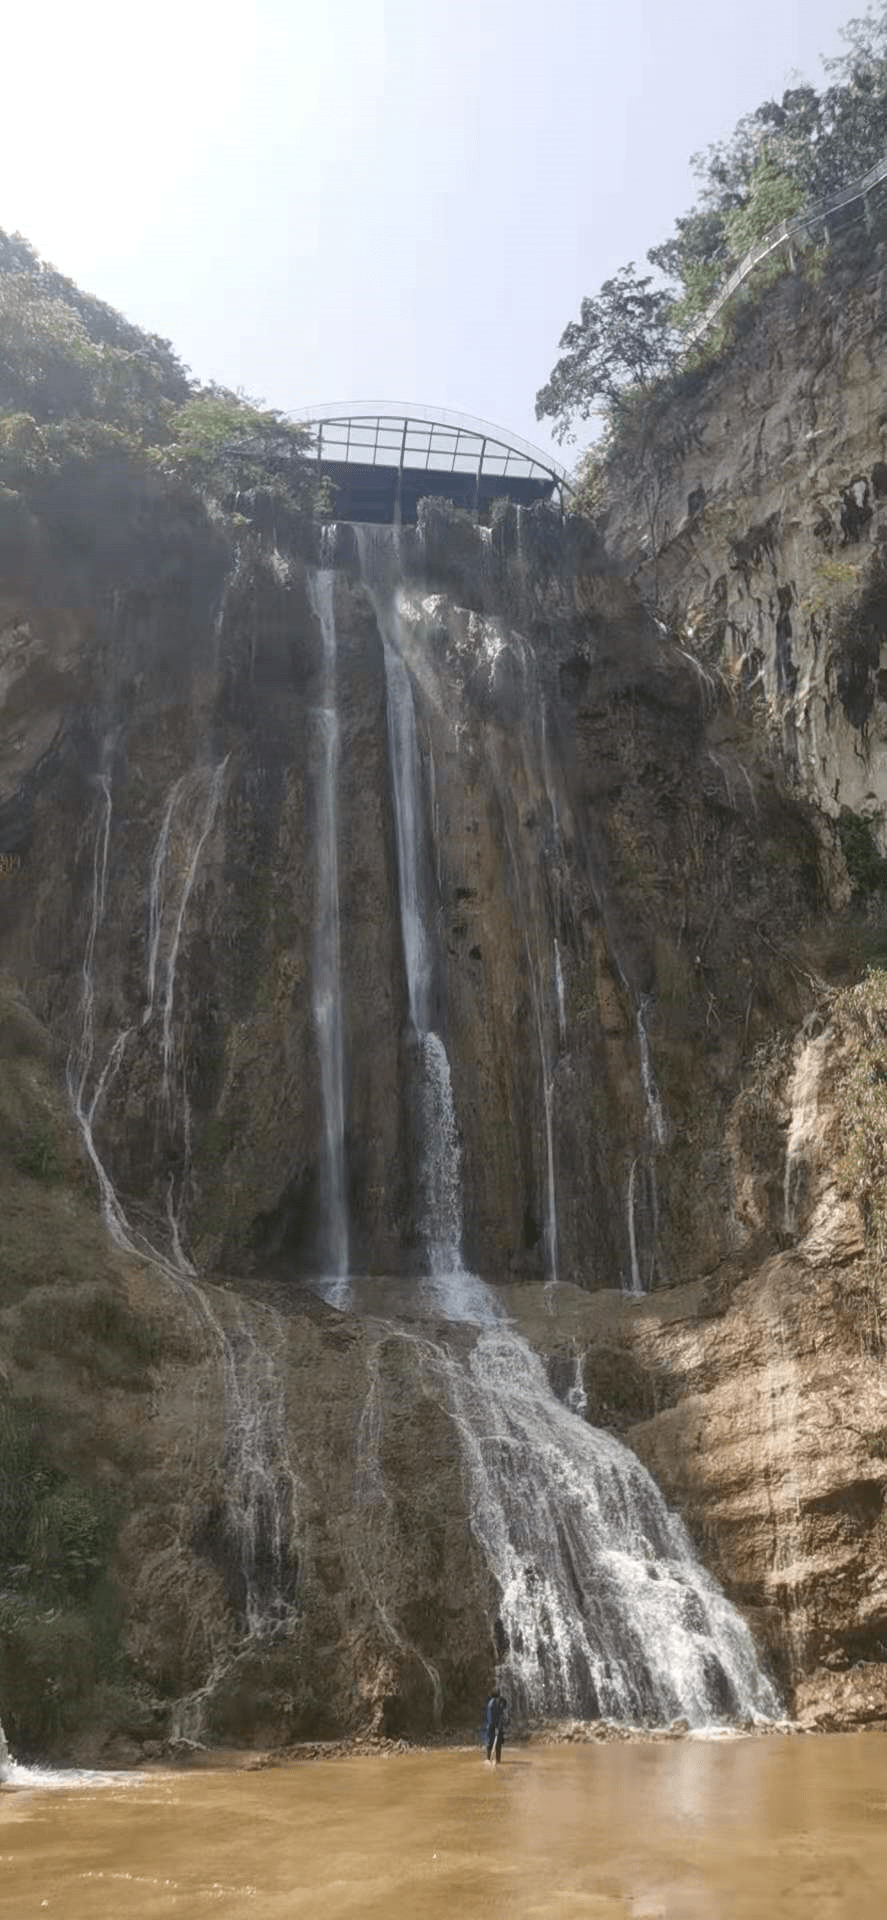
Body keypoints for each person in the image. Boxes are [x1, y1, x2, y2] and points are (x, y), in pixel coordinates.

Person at [484, 1691, 509, 1764]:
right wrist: (497, 1727)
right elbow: (498, 1717)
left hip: (491, 1725)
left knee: (490, 1743)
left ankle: (489, 1759)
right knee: (497, 1744)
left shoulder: (490, 1702)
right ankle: (497, 1760)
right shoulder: (497, 1703)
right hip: (495, 1726)